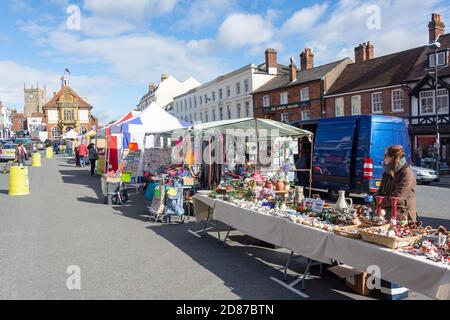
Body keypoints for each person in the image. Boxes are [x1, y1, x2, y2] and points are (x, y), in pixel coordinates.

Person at [375, 145, 417, 222]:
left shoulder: (407, 174)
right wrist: (374, 198)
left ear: (392, 158)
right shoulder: (387, 172)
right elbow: (380, 190)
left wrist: (378, 201)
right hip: (387, 213)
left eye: (385, 156)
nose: (383, 159)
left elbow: (398, 197)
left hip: (403, 216)